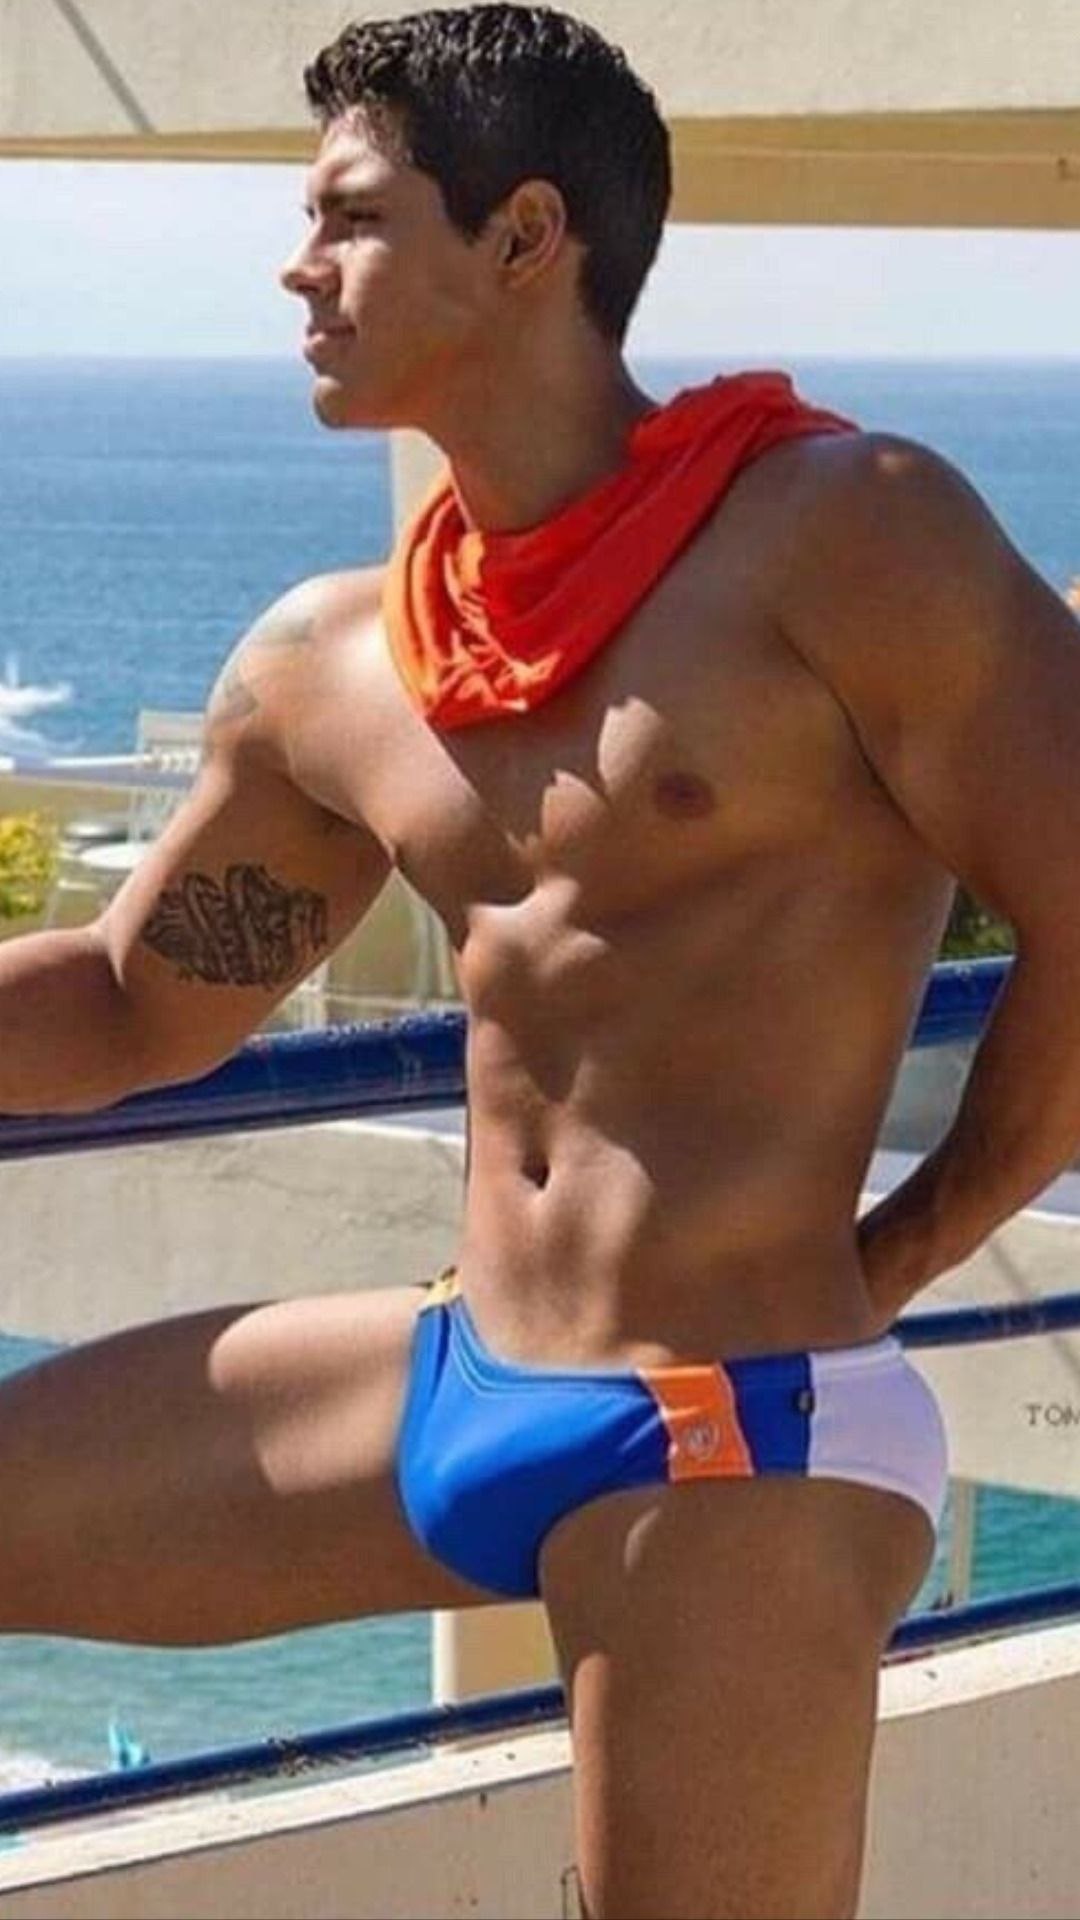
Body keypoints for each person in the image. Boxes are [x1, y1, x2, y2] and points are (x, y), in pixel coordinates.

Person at [2, 7, 1080, 1915]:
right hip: (462, 1370)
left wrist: (896, 1258)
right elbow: (128, 1003)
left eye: (351, 216)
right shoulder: (335, 662)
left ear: (523, 238)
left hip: (740, 1427)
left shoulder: (845, 538)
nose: (297, 266)